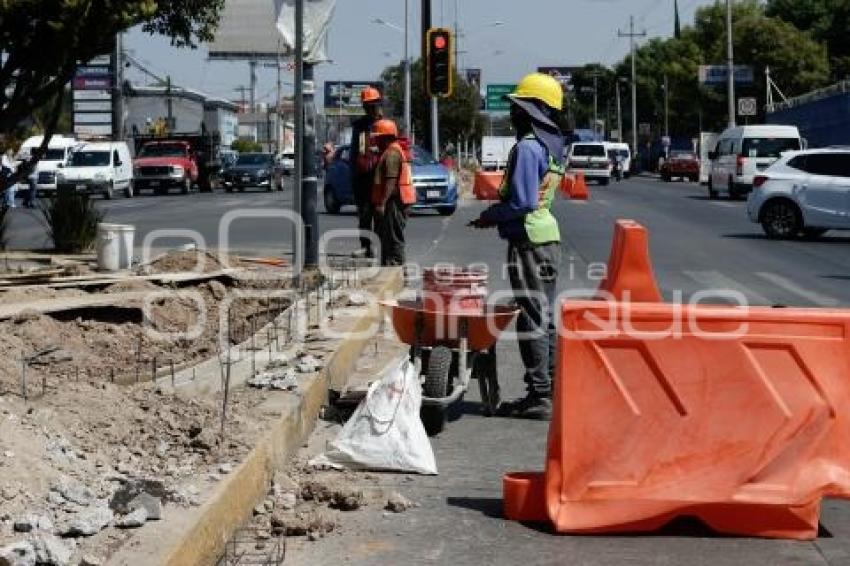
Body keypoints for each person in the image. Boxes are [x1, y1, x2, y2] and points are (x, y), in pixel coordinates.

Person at [470, 73, 566, 420]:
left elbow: (523, 201)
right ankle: (550, 389)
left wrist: (490, 215)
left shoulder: (527, 147)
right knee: (546, 317)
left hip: (529, 240)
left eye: (518, 107)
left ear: (533, 111)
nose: (513, 113)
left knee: (531, 318)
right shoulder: (551, 145)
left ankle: (539, 395)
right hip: (547, 237)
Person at [371, 119, 415, 266]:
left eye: (377, 136)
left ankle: (398, 268)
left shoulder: (391, 153)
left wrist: (382, 203)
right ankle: (391, 266)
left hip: (395, 202)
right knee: (387, 236)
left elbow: (391, 181)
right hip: (394, 200)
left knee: (394, 237)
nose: (375, 140)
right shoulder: (390, 151)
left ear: (385, 137)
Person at [349, 86, 384, 258]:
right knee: (364, 214)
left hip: (380, 177)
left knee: (381, 213)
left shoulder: (385, 125)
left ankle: (382, 246)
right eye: (367, 105)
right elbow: (357, 152)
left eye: (373, 105)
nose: (370, 108)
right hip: (362, 177)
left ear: (378, 104)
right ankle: (366, 246)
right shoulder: (360, 127)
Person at [2, 145, 17, 209]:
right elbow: (5, 165)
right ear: (7, 151)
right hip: (7, 175)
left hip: (12, 175)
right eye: (10, 151)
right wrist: (11, 166)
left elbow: (14, 165)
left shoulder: (11, 157)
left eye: (12, 151)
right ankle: (9, 203)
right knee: (9, 190)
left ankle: (8, 202)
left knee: (12, 190)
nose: (12, 152)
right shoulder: (4, 157)